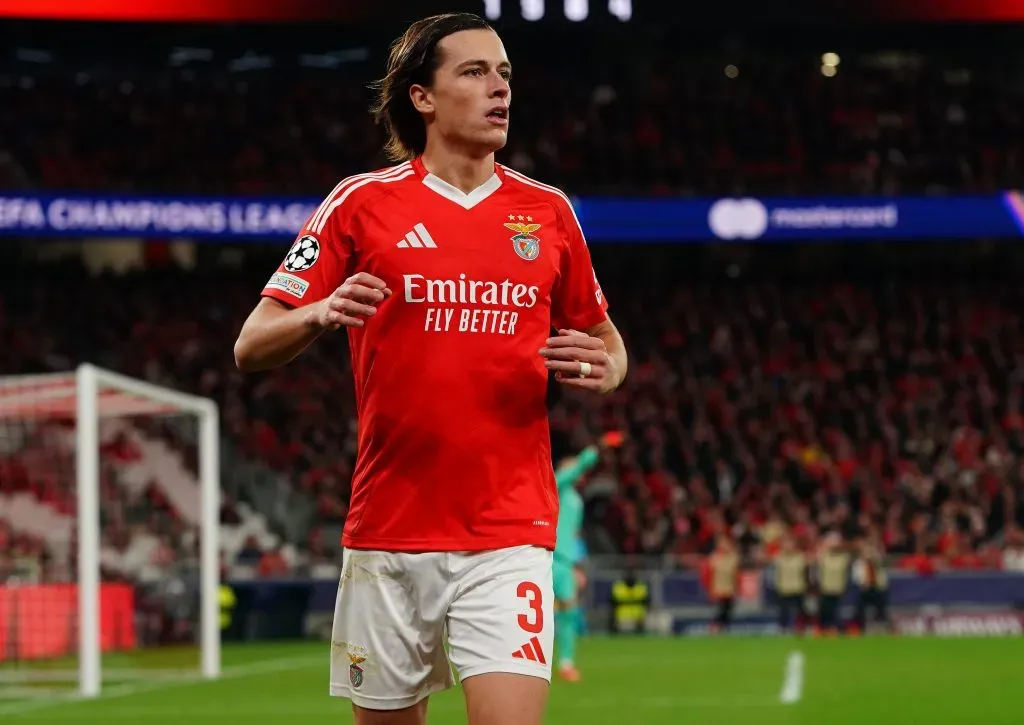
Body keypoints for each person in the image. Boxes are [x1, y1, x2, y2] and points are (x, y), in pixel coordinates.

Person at [233, 12, 627, 725]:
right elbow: (251, 343)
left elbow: (608, 339)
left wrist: (608, 368)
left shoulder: (547, 212)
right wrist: (319, 312)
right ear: (422, 97)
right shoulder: (360, 203)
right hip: (389, 530)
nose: (498, 88)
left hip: (508, 531)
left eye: (504, 74)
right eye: (474, 72)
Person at [552, 431, 625, 682]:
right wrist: (598, 447)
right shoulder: (555, 486)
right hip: (543, 558)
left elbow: (573, 536)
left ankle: (566, 662)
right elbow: (576, 468)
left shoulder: (575, 500)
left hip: (564, 562)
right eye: (572, 466)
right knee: (535, 614)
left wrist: (577, 566)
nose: (577, 471)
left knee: (568, 612)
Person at [816, 531, 851, 634]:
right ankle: (824, 629)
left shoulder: (844, 557)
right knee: (825, 612)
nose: (835, 543)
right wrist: (826, 544)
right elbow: (816, 556)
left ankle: (837, 630)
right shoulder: (823, 556)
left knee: (837, 613)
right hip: (825, 589)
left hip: (839, 589)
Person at [773, 532, 808, 634]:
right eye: (785, 543)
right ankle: (783, 629)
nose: (788, 546)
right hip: (784, 588)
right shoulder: (779, 557)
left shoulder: (801, 557)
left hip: (798, 587)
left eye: (790, 543)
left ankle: (801, 628)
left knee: (800, 610)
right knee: (784, 611)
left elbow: (805, 573)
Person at [707, 535, 740, 633]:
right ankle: (714, 628)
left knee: (727, 611)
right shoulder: (714, 558)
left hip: (729, 589)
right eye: (722, 543)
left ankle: (723, 629)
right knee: (719, 611)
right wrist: (710, 589)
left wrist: (736, 588)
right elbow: (709, 575)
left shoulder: (732, 558)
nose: (725, 545)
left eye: (726, 543)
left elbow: (735, 575)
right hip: (718, 589)